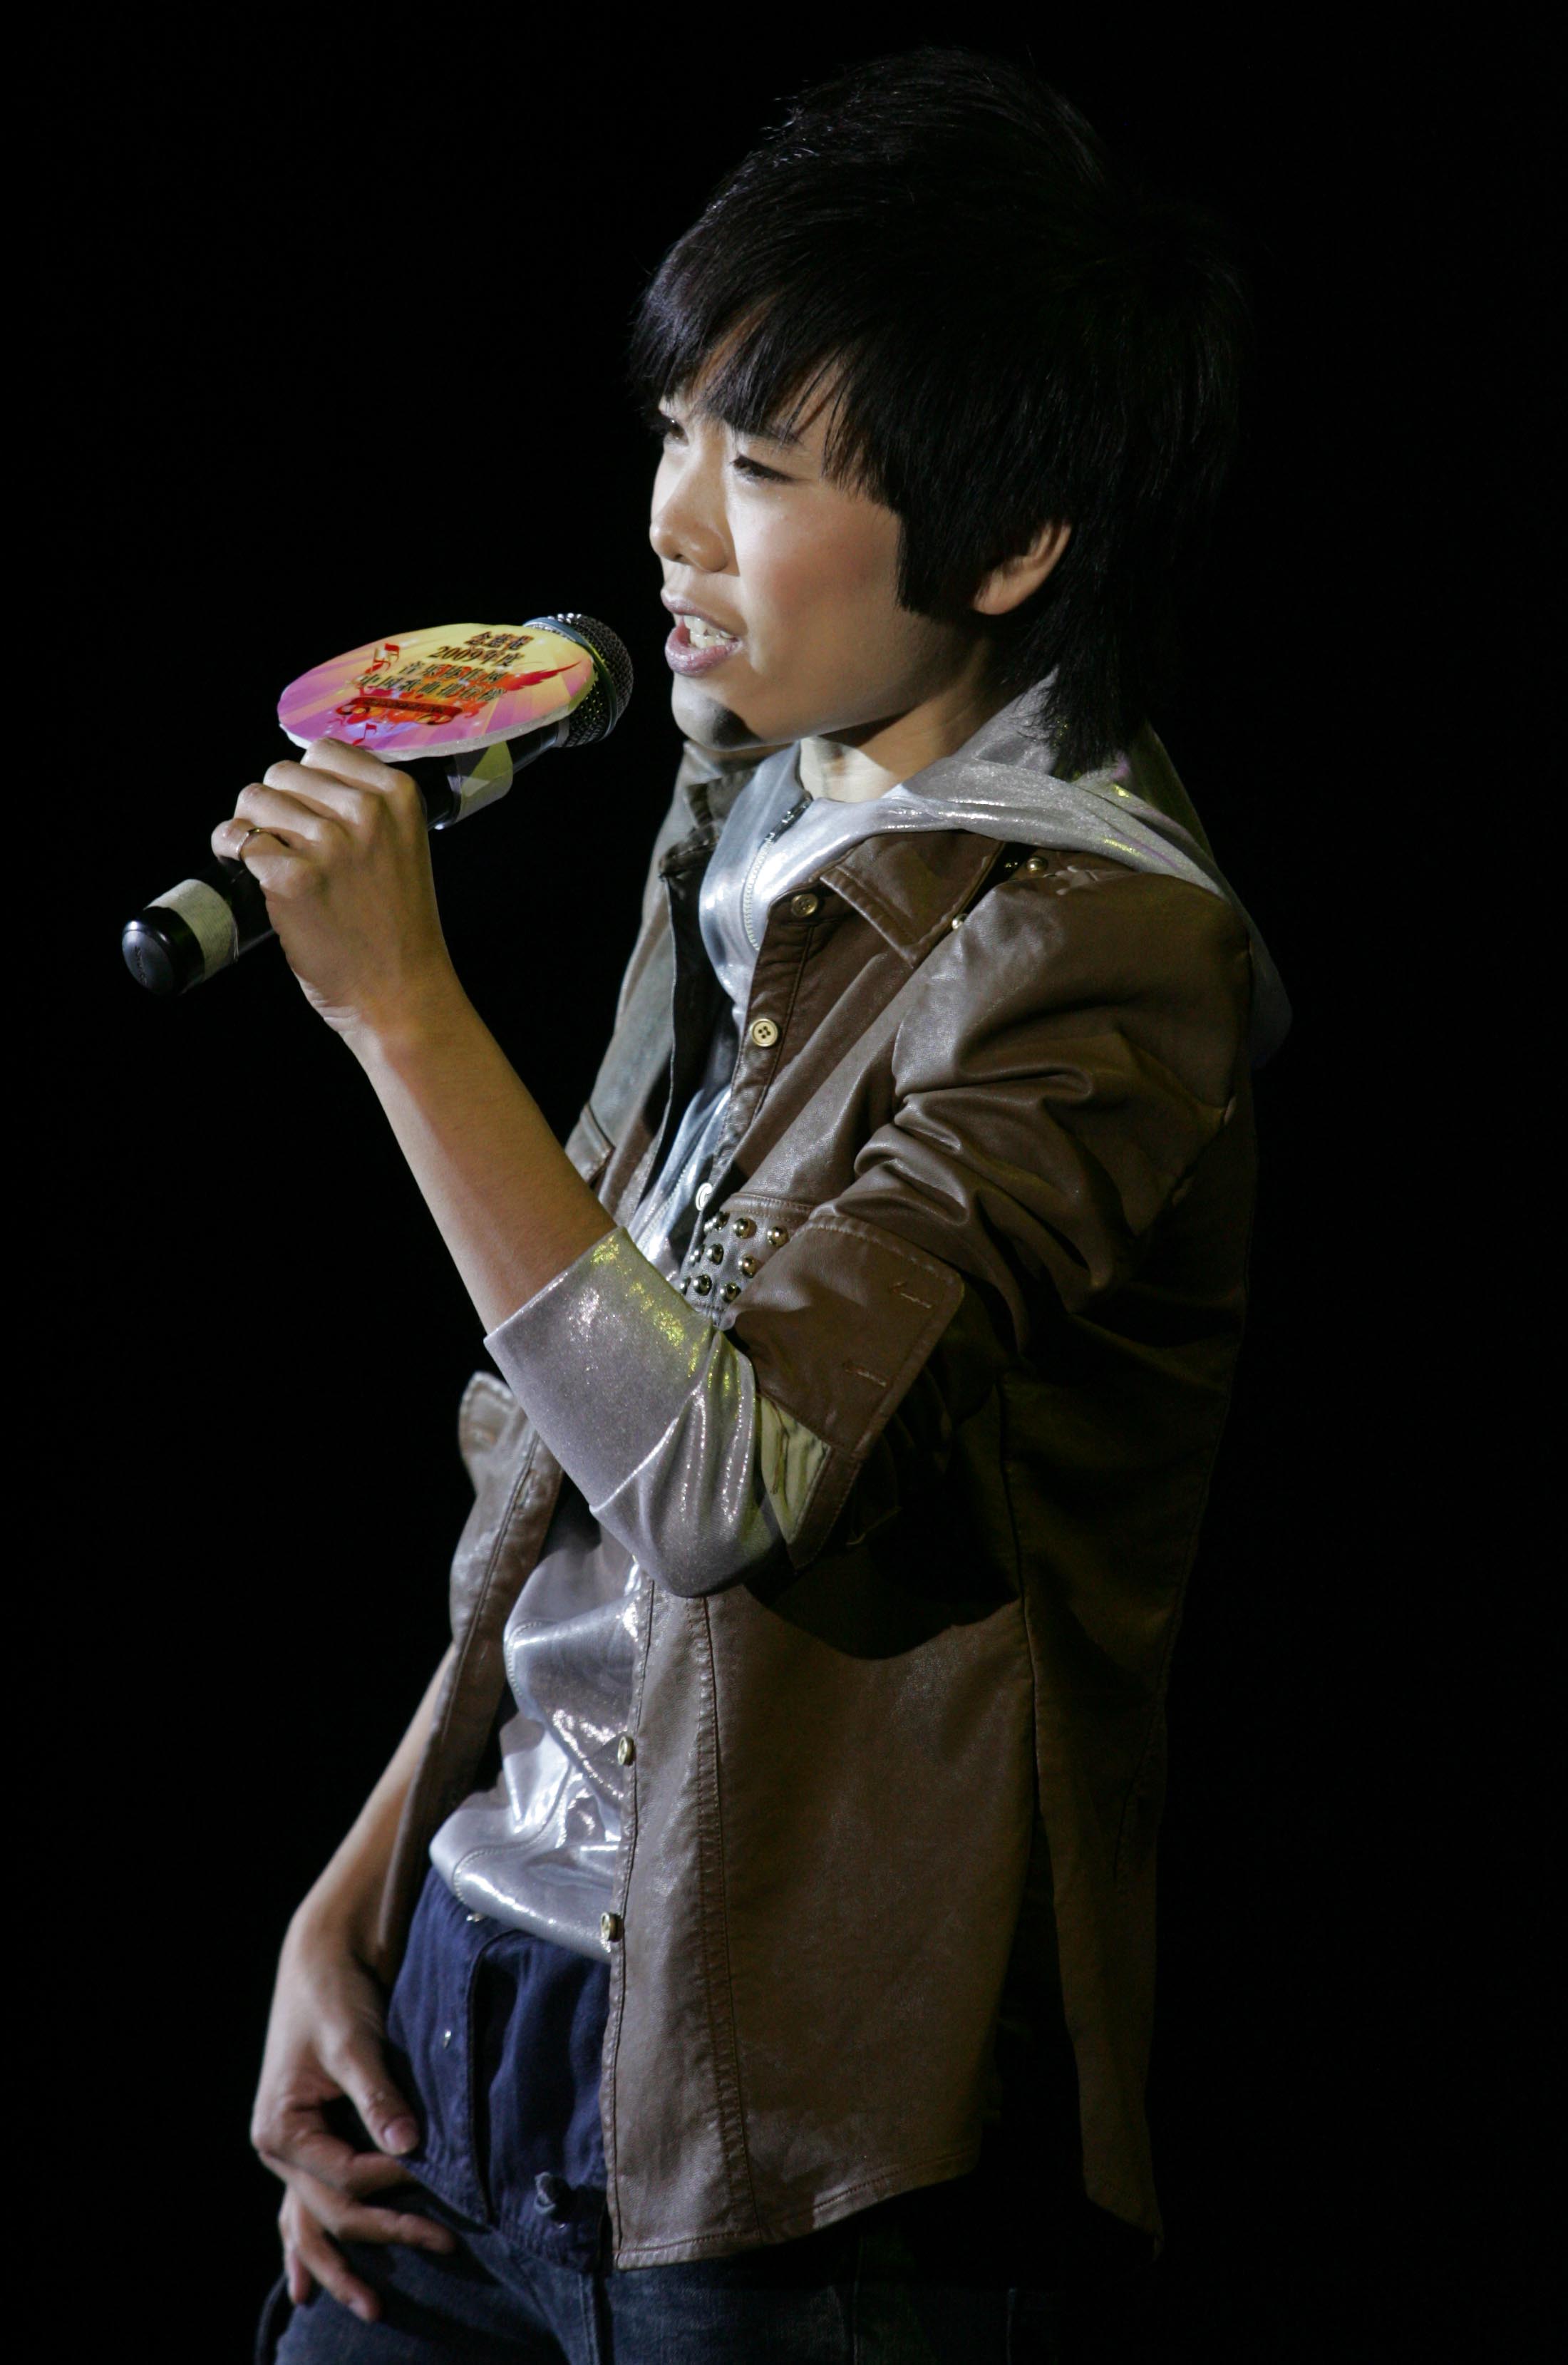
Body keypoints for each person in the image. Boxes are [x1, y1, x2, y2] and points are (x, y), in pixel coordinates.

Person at [239, 49, 1289, 2364]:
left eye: (766, 470)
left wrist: (405, 1018)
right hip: (469, 2012)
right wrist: (371, 1882)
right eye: (676, 437)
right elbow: (571, 1453)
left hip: (795, 2139)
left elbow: (726, 1484)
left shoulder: (1112, 953)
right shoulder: (752, 801)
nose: (674, 530)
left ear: (1012, 547)